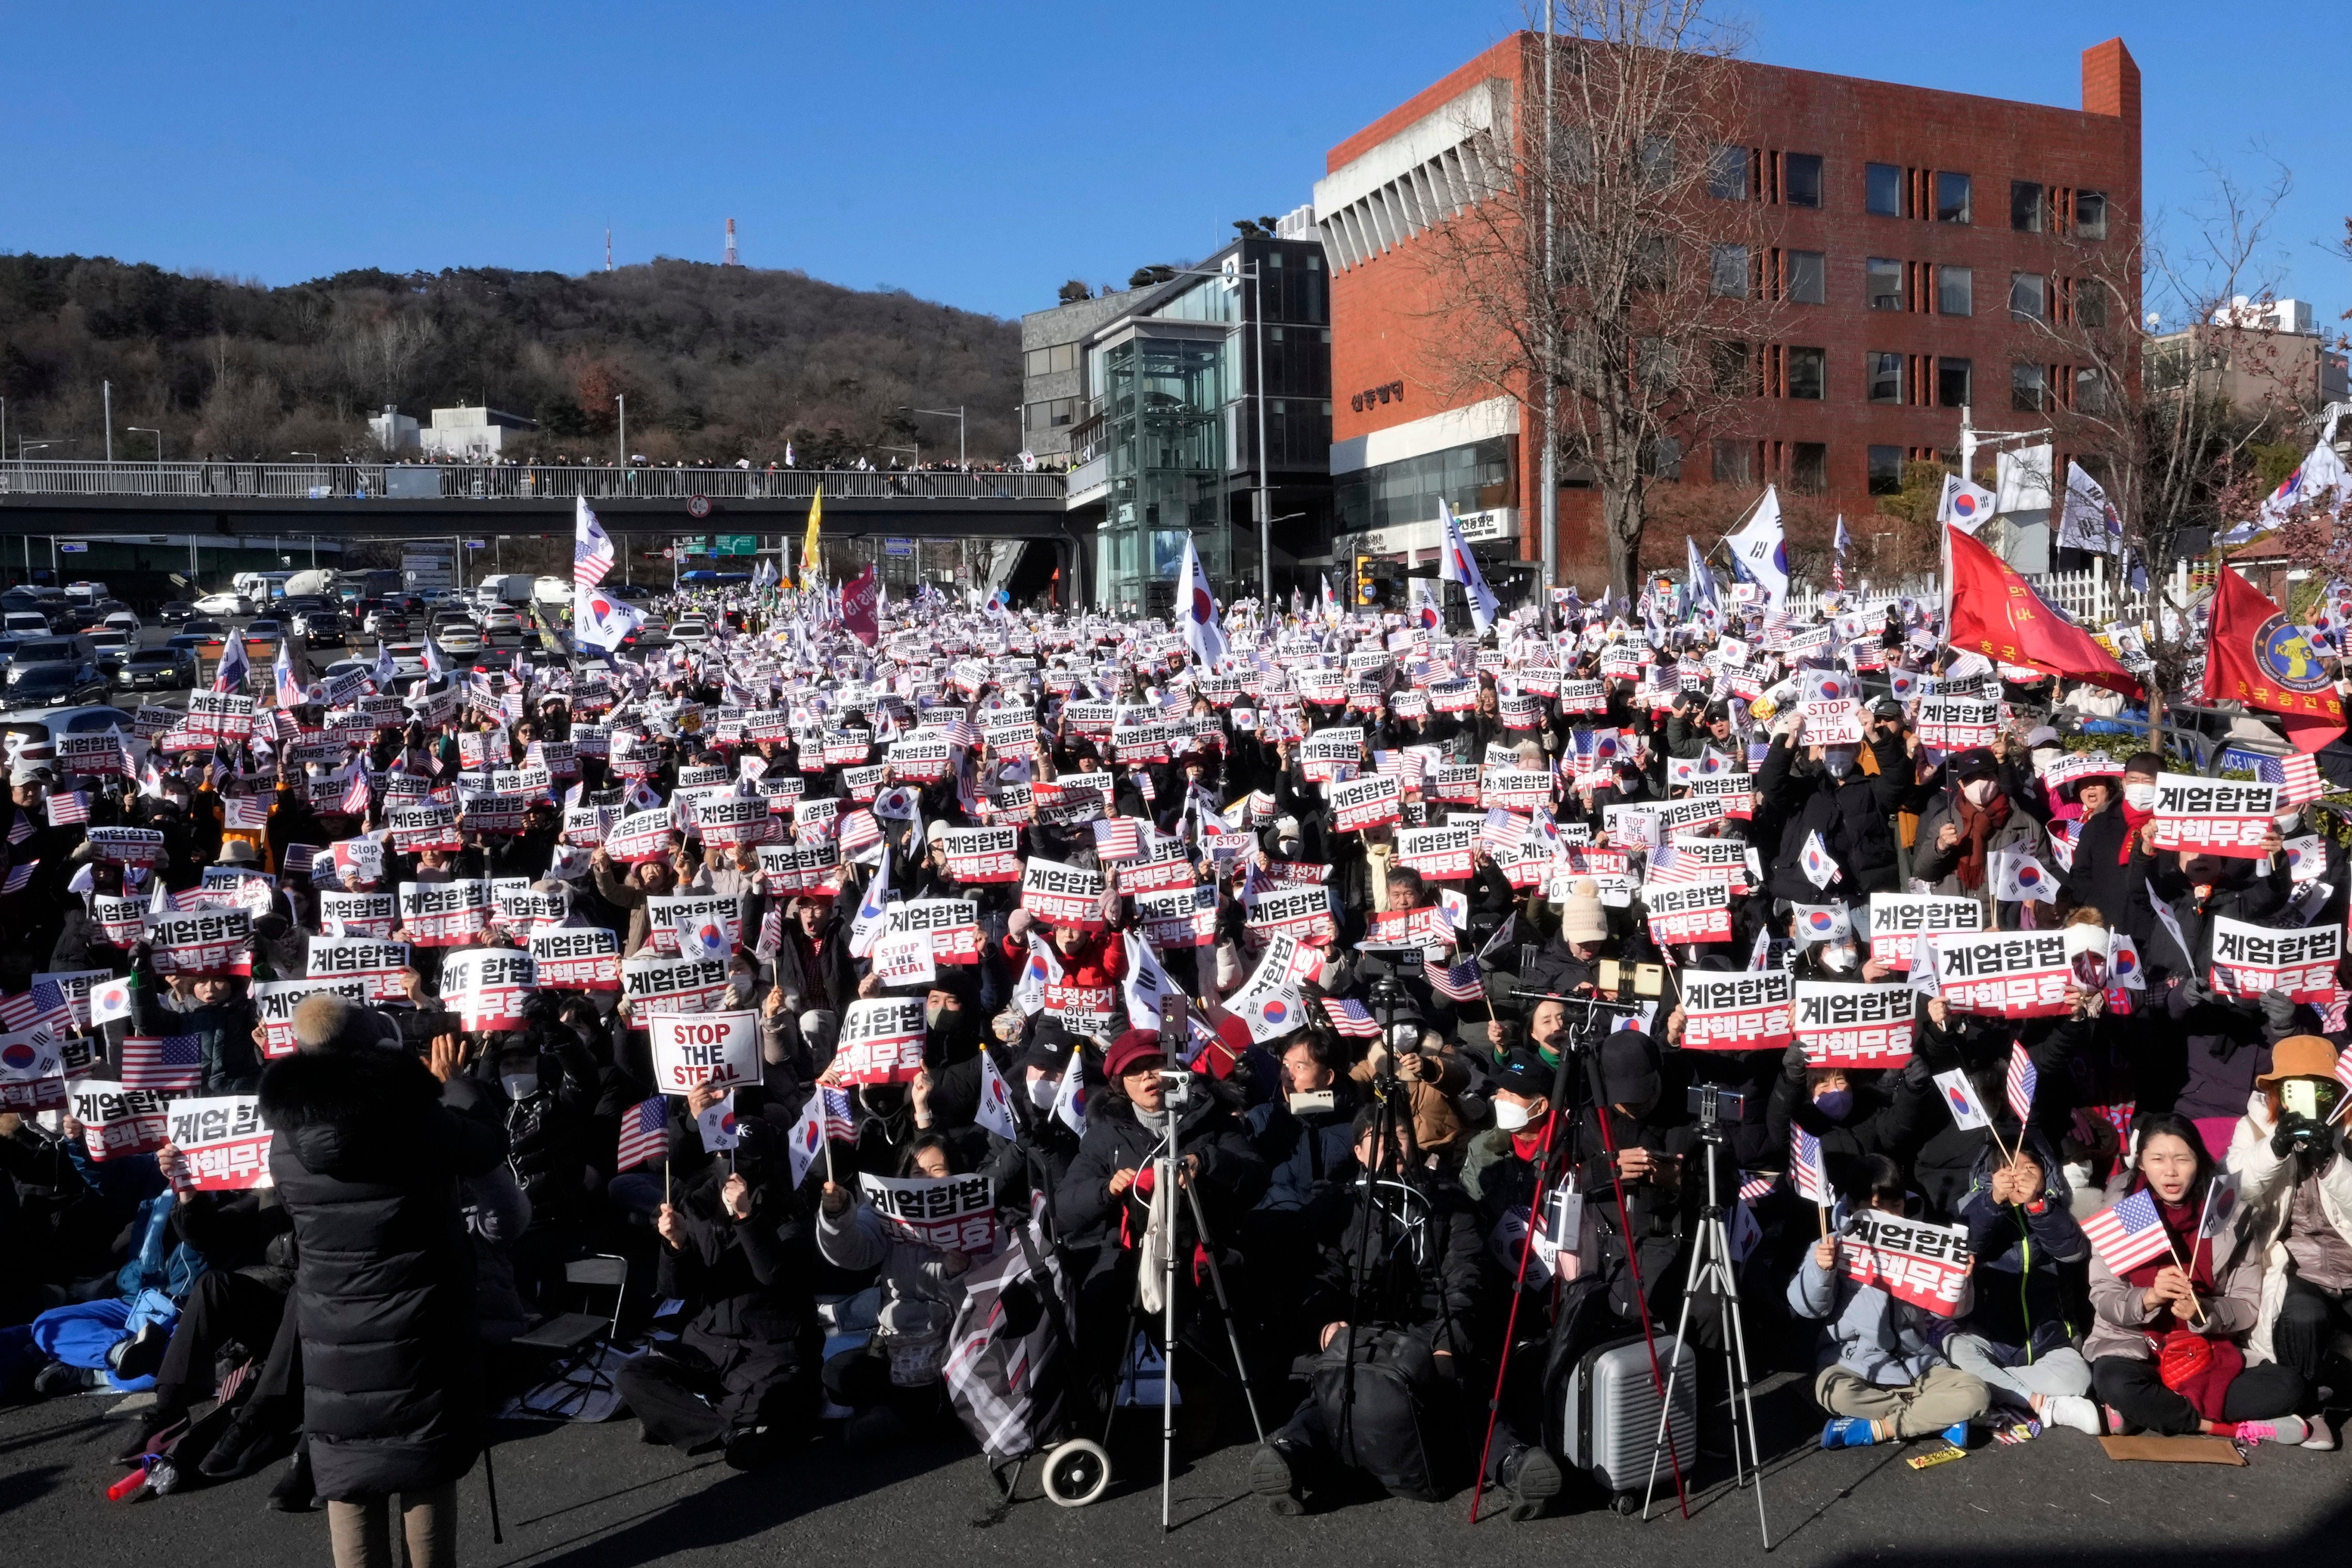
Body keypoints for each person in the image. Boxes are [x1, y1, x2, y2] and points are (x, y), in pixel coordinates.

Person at [259, 998, 510, 1568]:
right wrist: (457, 1085)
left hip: (332, 1329)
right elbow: (489, 1146)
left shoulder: (286, 1138)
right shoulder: (415, 1117)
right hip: (421, 1316)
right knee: (423, 1460)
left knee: (347, 1470)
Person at [2084, 1112, 2310, 1443]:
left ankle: (2144, 1411)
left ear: (2198, 1161)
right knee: (2115, 1382)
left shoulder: (2225, 1213)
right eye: (2158, 1159)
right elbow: (2103, 1297)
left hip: (2206, 1351)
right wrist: (2148, 1298)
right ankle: (2220, 1427)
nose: (2171, 1171)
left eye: (2182, 1159)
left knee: (2289, 1387)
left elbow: (2247, 1304)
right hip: (2135, 1346)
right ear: (2142, 1164)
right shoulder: (2124, 1209)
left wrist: (2204, 1311)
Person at [1789, 1154, 1989, 1448]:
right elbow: (1807, 1307)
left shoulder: (1928, 1245)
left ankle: (1882, 1427)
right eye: (1875, 1209)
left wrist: (1962, 1279)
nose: (1888, 1216)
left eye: (1895, 1206)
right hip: (1853, 1363)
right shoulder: (1830, 1244)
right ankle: (1932, 1419)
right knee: (1834, 1391)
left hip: (1916, 1363)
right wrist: (1821, 1270)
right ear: (1854, 1206)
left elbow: (1955, 1311)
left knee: (1976, 1392)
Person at [2225, 1033, 2352, 1449]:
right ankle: (2306, 1406)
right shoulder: (2253, 1126)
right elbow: (2234, 1191)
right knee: (2302, 1315)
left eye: (2321, 1088)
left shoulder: (2348, 1128)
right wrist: (2274, 1148)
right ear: (2276, 1092)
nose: (2309, 1098)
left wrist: (2332, 1162)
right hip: (2299, 1264)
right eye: (2294, 1088)